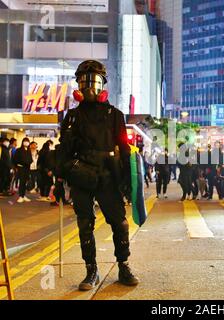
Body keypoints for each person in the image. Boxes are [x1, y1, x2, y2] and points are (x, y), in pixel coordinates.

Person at [58, 60, 138, 290]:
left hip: (108, 175)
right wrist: (58, 180)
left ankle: (123, 265)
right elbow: (63, 150)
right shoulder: (72, 116)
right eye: (84, 82)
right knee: (85, 225)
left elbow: (124, 149)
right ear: (77, 86)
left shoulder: (115, 115)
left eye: (94, 81)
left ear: (103, 86)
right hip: (81, 176)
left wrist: (129, 180)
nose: (88, 87)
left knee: (119, 223)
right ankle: (91, 270)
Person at [13, 137, 33, 203]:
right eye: (25, 141)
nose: (26, 142)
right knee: (21, 182)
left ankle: (23, 195)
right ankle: (20, 196)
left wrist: (28, 162)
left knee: (24, 182)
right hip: (21, 168)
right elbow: (15, 159)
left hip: (27, 168)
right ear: (22, 142)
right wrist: (16, 167)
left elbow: (30, 159)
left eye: (27, 141)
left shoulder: (28, 150)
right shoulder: (18, 150)